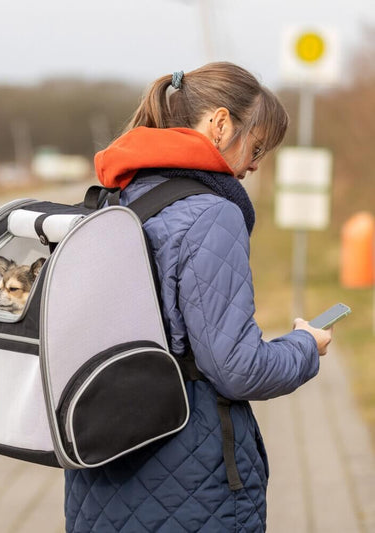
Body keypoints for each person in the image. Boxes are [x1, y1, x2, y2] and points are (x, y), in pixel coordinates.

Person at [64, 62, 332, 532]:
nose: (254, 164)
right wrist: (306, 346)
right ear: (222, 123)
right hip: (189, 474)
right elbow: (238, 370)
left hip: (98, 464)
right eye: (257, 147)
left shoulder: (112, 199)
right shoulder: (212, 214)